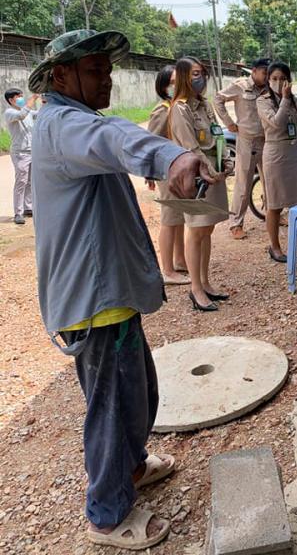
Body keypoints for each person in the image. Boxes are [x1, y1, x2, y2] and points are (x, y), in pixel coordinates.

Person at [28, 29, 213, 550]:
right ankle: (107, 515)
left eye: (108, 70)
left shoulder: (75, 120)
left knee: (137, 393)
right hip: (95, 299)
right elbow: (113, 139)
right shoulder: (64, 125)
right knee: (113, 408)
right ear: (61, 76)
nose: (107, 79)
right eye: (95, 70)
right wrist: (171, 158)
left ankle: (131, 469)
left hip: (108, 293)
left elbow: (111, 136)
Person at [169, 56, 233, 311]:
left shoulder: (204, 104)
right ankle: (195, 289)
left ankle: (205, 283)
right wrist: (210, 170)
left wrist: (226, 159)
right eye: (195, 73)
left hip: (214, 174)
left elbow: (217, 135)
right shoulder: (180, 109)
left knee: (207, 230)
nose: (201, 78)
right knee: (196, 231)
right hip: (196, 178)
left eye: (203, 73)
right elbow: (190, 147)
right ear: (184, 77)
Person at [257, 61, 297, 262]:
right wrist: (285, 99)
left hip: (294, 153)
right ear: (268, 80)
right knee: (275, 204)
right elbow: (277, 123)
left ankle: (296, 246)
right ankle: (275, 247)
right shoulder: (263, 101)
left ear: (289, 80)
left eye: (282, 78)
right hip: (275, 156)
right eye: (274, 78)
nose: (278, 82)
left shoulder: (294, 100)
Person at [214, 57, 269, 239]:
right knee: (243, 184)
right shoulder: (240, 86)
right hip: (247, 141)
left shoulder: (268, 87)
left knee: (271, 181)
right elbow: (218, 98)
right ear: (254, 71)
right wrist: (229, 123)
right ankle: (236, 224)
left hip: (267, 140)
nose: (267, 76)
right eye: (264, 73)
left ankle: (272, 214)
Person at [146, 65, 190, 286]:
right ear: (163, 86)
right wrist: (150, 173)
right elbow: (151, 143)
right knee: (169, 220)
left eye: (178, 81)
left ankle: (180, 260)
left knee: (178, 217)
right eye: (171, 83)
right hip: (167, 171)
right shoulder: (163, 110)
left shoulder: (178, 106)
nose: (175, 86)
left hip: (179, 170)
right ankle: (168, 270)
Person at [4, 87, 38, 224]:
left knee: (30, 181)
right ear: (11, 100)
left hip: (31, 151)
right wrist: (32, 99)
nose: (21, 98)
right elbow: (22, 115)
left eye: (22, 96)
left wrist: (46, 101)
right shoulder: (10, 112)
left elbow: (40, 114)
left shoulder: (27, 112)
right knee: (21, 182)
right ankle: (18, 212)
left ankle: (28, 207)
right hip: (20, 153)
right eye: (18, 96)